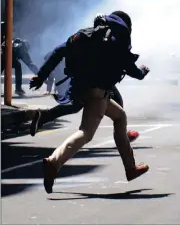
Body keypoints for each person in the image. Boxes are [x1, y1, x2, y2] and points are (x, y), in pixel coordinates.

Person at [29, 11, 149, 194]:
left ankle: (130, 168)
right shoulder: (116, 42)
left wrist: (41, 76)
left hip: (80, 87)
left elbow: (59, 51)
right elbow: (133, 72)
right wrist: (142, 71)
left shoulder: (85, 36)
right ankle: (53, 162)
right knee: (85, 133)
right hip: (98, 92)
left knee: (120, 116)